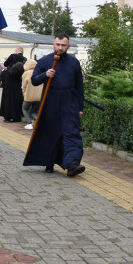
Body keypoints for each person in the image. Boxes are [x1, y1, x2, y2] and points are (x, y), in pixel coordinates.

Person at [23, 34, 85, 177]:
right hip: (50, 101)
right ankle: (49, 163)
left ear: (68, 46)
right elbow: (34, 81)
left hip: (69, 102)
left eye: (64, 45)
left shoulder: (74, 62)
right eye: (58, 44)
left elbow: (79, 87)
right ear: (53, 44)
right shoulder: (45, 61)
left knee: (71, 133)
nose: (60, 47)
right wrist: (45, 74)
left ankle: (72, 164)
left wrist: (80, 107)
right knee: (51, 133)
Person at [0, 47, 26, 122]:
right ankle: (16, 117)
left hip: (9, 79)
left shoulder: (12, 56)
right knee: (16, 97)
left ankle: (7, 116)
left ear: (16, 51)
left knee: (8, 97)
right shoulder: (24, 59)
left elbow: (5, 64)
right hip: (18, 80)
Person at [21, 59, 43, 130]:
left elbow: (24, 85)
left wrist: (24, 93)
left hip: (29, 96)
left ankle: (29, 123)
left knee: (24, 109)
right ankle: (40, 122)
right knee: (33, 111)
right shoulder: (39, 72)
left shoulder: (26, 73)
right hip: (39, 96)